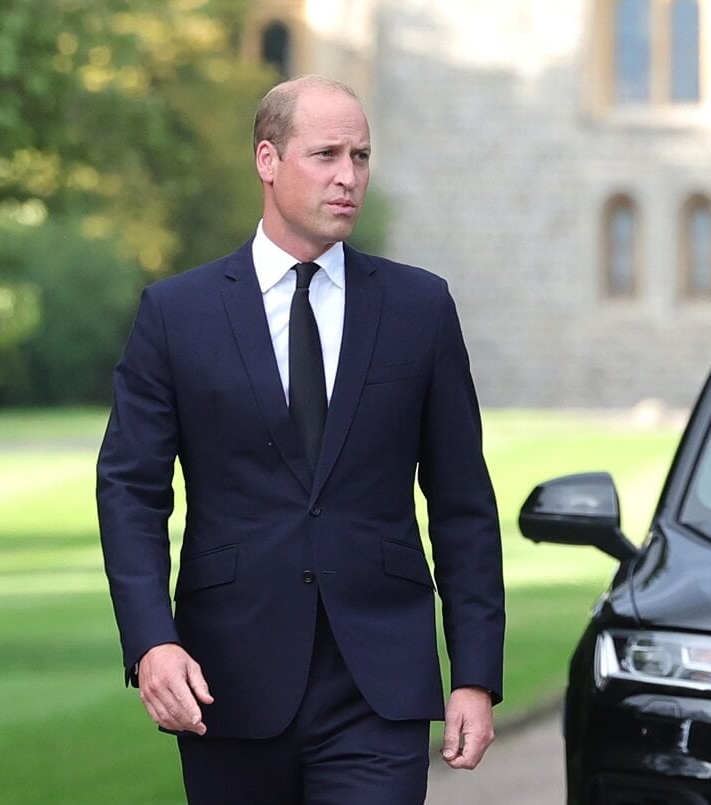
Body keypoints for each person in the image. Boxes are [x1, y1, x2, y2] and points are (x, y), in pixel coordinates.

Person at [96, 75, 505, 804]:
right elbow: (130, 489)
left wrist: (474, 673)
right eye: (325, 155)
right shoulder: (176, 314)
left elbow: (463, 501)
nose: (349, 177)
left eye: (361, 156)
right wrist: (151, 641)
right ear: (266, 159)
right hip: (227, 677)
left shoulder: (420, 307)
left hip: (379, 684)